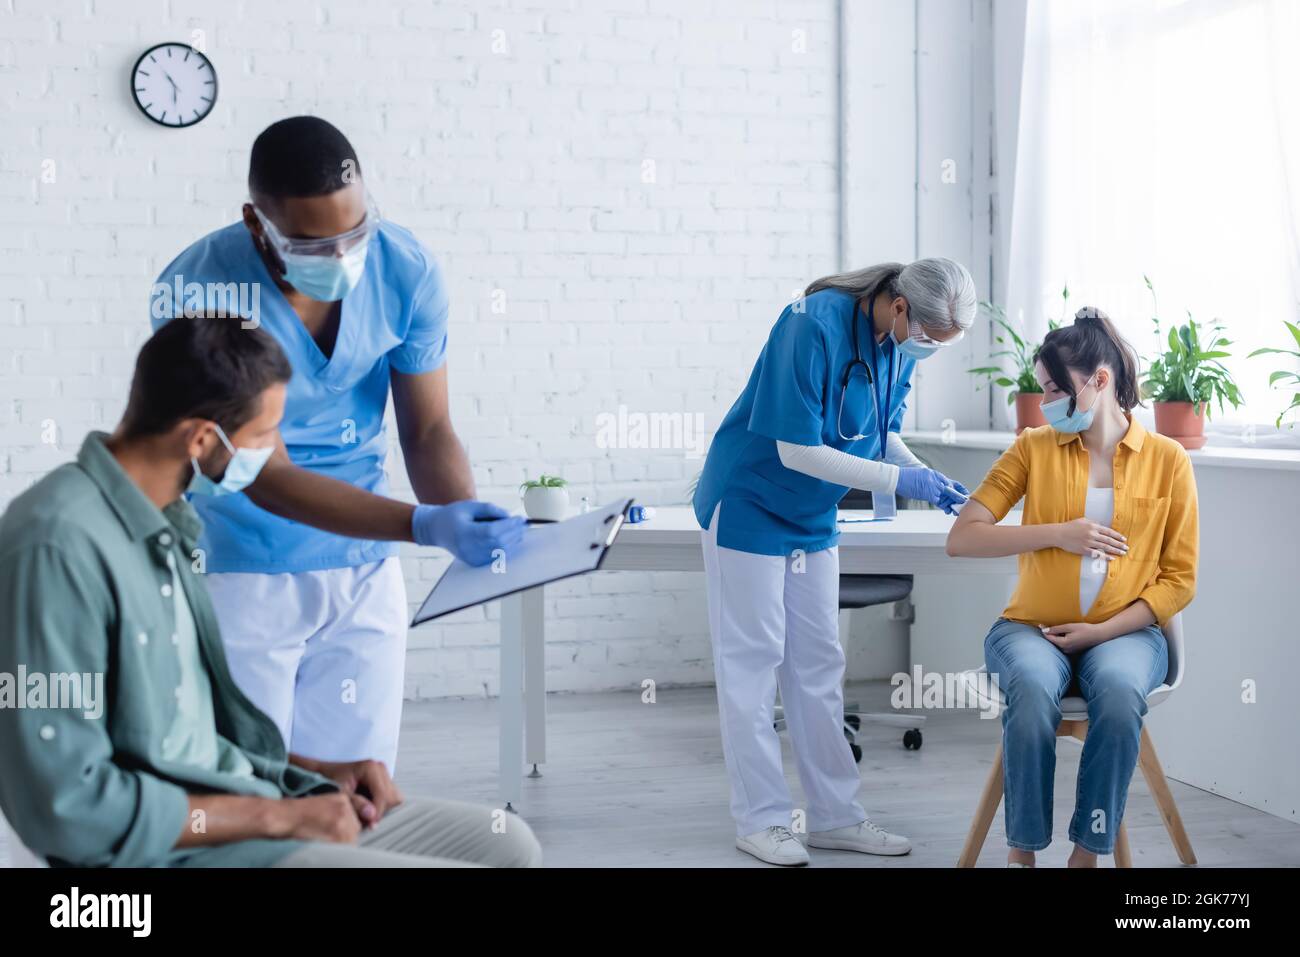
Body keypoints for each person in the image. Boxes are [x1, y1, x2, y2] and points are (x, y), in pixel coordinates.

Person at [0, 317, 541, 867]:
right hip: (177, 852)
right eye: (264, 439)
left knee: (506, 844)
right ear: (203, 439)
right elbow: (62, 807)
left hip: (251, 806)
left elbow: (185, 739)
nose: (274, 460)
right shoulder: (55, 547)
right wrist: (281, 817)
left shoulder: (168, 525)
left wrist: (316, 772)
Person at [151, 117, 524, 773]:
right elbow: (261, 475)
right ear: (255, 222)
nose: (343, 256)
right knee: (246, 788)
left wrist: (468, 525)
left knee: (358, 792)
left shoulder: (405, 270)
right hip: (241, 568)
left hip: (365, 567)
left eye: (355, 232)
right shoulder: (203, 292)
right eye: (312, 244)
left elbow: (428, 428)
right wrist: (423, 524)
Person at [691, 259, 978, 865]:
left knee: (820, 663)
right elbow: (797, 450)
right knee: (753, 663)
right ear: (901, 307)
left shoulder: (894, 345)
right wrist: (905, 481)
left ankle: (835, 816)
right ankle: (763, 820)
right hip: (750, 500)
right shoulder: (809, 324)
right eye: (928, 337)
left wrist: (925, 474)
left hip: (813, 517)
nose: (926, 350)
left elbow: (880, 436)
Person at [946, 307, 1198, 867]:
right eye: (1041, 391)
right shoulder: (1033, 447)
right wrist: (1060, 533)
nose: (1046, 403)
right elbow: (963, 537)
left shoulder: (1168, 460)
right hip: (1029, 630)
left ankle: (1086, 855)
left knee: (1118, 689)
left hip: (1125, 634)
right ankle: (1022, 853)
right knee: (1033, 688)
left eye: (1056, 389)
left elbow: (1179, 580)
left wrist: (1102, 631)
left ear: (1099, 380)